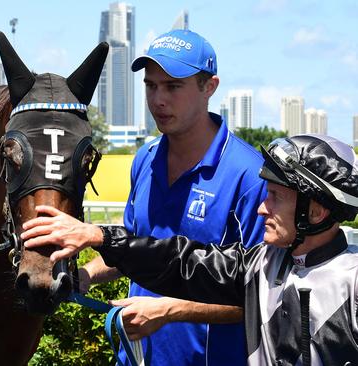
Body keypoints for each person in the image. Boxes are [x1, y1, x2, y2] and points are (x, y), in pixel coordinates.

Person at [22, 133, 358, 365]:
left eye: (275, 197)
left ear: (316, 210)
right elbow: (181, 260)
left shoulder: (352, 284)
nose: (261, 208)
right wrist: (100, 236)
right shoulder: (260, 265)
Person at [72, 29, 268, 365]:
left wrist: (169, 310)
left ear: (210, 87)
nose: (158, 100)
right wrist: (86, 275)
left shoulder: (249, 175)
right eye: (151, 85)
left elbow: (262, 296)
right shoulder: (145, 159)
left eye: (173, 86)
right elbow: (135, 247)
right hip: (134, 358)